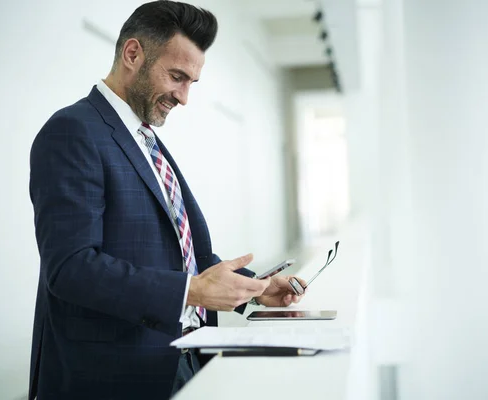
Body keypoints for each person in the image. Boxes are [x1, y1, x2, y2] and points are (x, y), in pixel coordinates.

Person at [28, 1, 306, 399]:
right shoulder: (72, 132)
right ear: (133, 54)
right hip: (114, 376)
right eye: (177, 77)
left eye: (192, 82)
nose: (184, 96)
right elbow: (71, 268)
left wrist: (256, 289)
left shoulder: (146, 140)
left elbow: (181, 255)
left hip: (180, 357)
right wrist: (189, 292)